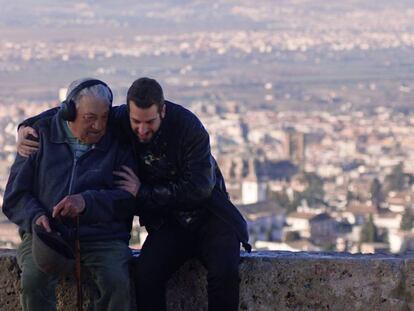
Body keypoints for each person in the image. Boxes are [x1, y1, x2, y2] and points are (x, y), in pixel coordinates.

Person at [17, 77, 250, 311]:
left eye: (149, 121)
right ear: (128, 112)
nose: (142, 129)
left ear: (163, 111)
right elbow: (72, 112)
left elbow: (199, 188)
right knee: (146, 275)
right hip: (169, 221)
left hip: (211, 215)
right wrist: (26, 126)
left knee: (225, 272)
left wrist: (142, 191)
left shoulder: (188, 127)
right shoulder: (119, 119)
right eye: (136, 121)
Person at [3, 78, 138, 311]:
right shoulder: (39, 137)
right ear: (69, 113)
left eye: (104, 117)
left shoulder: (118, 143)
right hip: (48, 235)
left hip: (102, 236)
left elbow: (125, 200)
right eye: (90, 118)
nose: (98, 126)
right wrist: (36, 217)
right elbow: (16, 196)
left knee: (116, 282)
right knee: (34, 282)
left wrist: (87, 202)